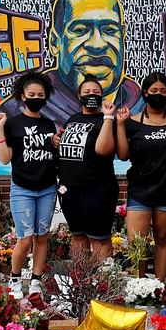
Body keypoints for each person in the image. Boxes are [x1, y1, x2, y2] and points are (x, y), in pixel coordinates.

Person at [3, 0, 143, 126]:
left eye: (109, 30)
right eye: (80, 30)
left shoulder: (143, 108)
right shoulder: (12, 116)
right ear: (54, 43)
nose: (97, 45)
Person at [0, 71, 58, 299]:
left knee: (42, 237)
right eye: (32, 94)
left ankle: (36, 281)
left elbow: (54, 155)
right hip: (23, 188)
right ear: (22, 96)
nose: (36, 97)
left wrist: (57, 144)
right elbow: (4, 158)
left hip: (48, 188)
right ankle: (14, 278)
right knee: (25, 238)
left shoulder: (49, 124)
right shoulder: (12, 124)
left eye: (41, 94)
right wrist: (0, 129)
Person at [116, 72, 166, 280]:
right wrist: (119, 124)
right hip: (140, 190)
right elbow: (123, 154)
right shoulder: (133, 122)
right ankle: (139, 288)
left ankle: (158, 289)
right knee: (137, 243)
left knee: (162, 239)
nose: (158, 95)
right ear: (145, 93)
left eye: (163, 91)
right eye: (153, 91)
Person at [54, 74, 118, 259]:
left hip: (98, 189)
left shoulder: (106, 120)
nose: (91, 95)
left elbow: (104, 150)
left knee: (99, 238)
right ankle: (79, 284)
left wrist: (108, 117)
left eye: (96, 92)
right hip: (69, 189)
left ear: (102, 96)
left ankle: (103, 284)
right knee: (78, 236)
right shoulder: (72, 119)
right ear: (79, 96)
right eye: (87, 92)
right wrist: (56, 140)